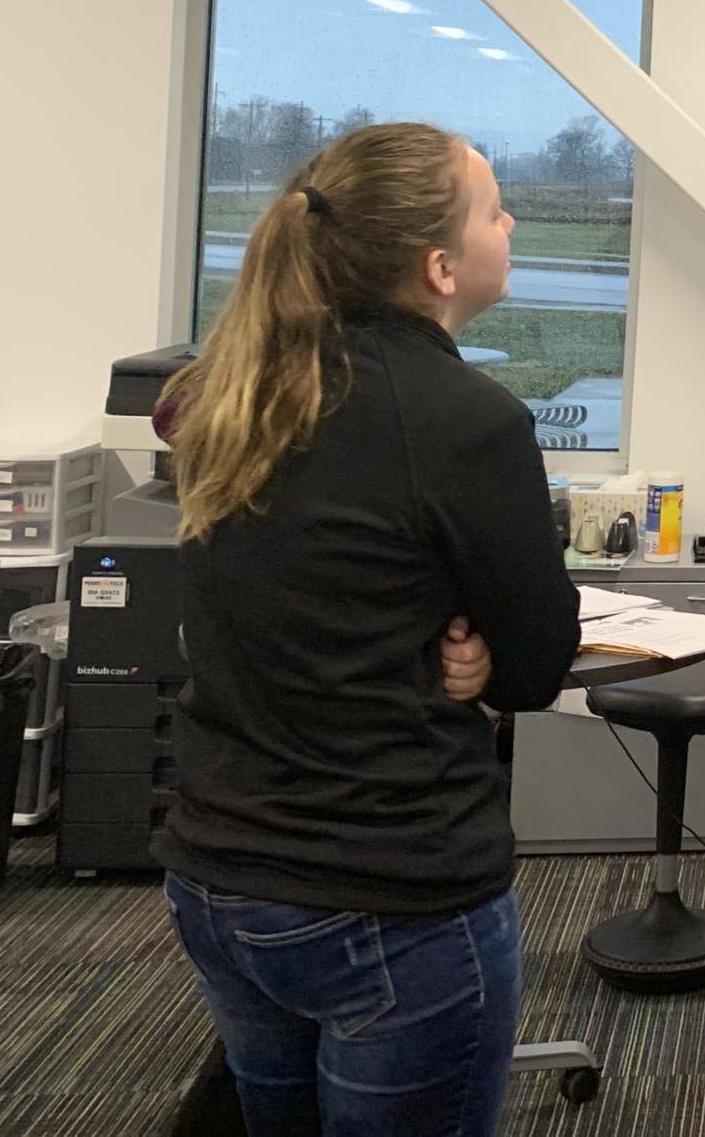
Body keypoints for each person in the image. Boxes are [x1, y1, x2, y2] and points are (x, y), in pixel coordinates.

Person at [152, 122, 582, 1137]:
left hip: (221, 878)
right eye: (492, 207)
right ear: (440, 266)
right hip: (388, 897)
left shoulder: (234, 396)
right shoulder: (465, 420)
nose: (511, 220)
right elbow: (537, 663)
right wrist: (477, 658)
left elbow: (311, 596)